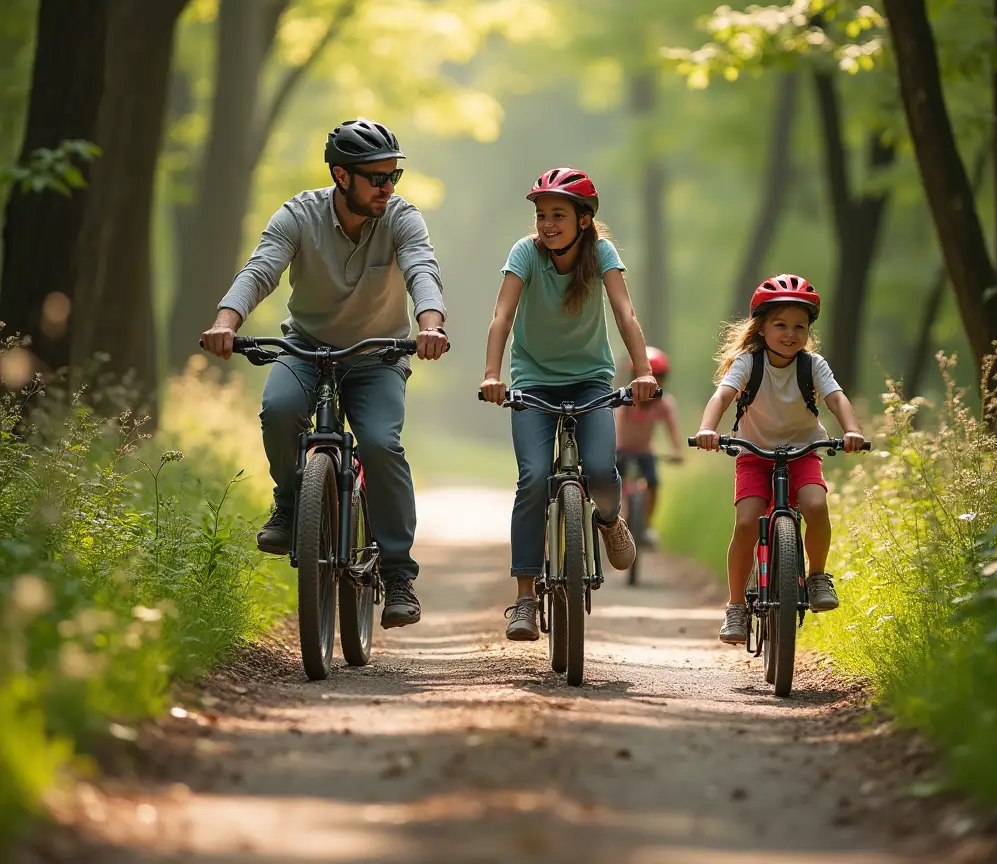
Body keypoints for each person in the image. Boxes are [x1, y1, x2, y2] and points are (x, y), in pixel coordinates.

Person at [201, 118, 448, 630]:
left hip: (378, 354)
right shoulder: (298, 215)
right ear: (341, 176)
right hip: (306, 345)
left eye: (392, 177)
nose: (387, 187)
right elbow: (261, 270)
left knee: (381, 443)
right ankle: (291, 504)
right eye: (376, 177)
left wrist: (430, 325)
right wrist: (226, 323)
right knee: (279, 410)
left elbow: (423, 268)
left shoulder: (402, 217)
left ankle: (399, 574)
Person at [479, 167, 659, 642]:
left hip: (590, 382)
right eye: (541, 215)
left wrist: (641, 372)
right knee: (533, 478)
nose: (547, 224)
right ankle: (523, 598)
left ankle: (606, 520)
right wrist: (492, 375)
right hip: (533, 382)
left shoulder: (600, 252)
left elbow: (625, 312)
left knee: (601, 469)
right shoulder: (525, 253)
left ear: (583, 219)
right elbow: (502, 315)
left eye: (558, 214)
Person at [691, 274, 865, 644]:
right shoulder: (748, 363)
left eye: (799, 327)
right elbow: (723, 396)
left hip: (802, 452)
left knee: (816, 505)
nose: (790, 334)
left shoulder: (812, 365)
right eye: (780, 325)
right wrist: (708, 428)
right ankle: (736, 606)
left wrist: (851, 430)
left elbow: (836, 398)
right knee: (746, 523)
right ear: (762, 327)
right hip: (754, 454)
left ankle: (817, 575)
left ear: (808, 332)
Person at [615, 347, 684, 546]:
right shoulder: (627, 399)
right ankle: (613, 520)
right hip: (622, 449)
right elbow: (616, 422)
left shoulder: (664, 404)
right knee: (613, 484)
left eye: (659, 377)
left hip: (645, 451)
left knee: (653, 484)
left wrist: (676, 451)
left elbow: (672, 430)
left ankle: (645, 525)